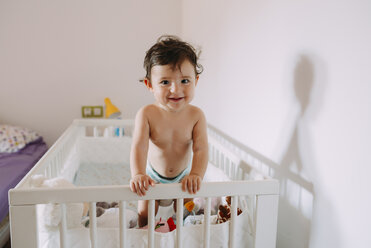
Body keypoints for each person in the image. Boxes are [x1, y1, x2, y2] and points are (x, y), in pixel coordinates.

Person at [129, 35, 208, 227]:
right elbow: (139, 147)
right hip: (153, 177)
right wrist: (139, 174)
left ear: (195, 81)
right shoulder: (147, 113)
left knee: (184, 216)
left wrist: (195, 175)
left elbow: (201, 150)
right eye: (165, 82)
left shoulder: (196, 115)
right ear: (150, 85)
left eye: (185, 81)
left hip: (183, 177)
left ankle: (175, 235)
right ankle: (145, 238)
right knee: (145, 215)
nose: (175, 89)